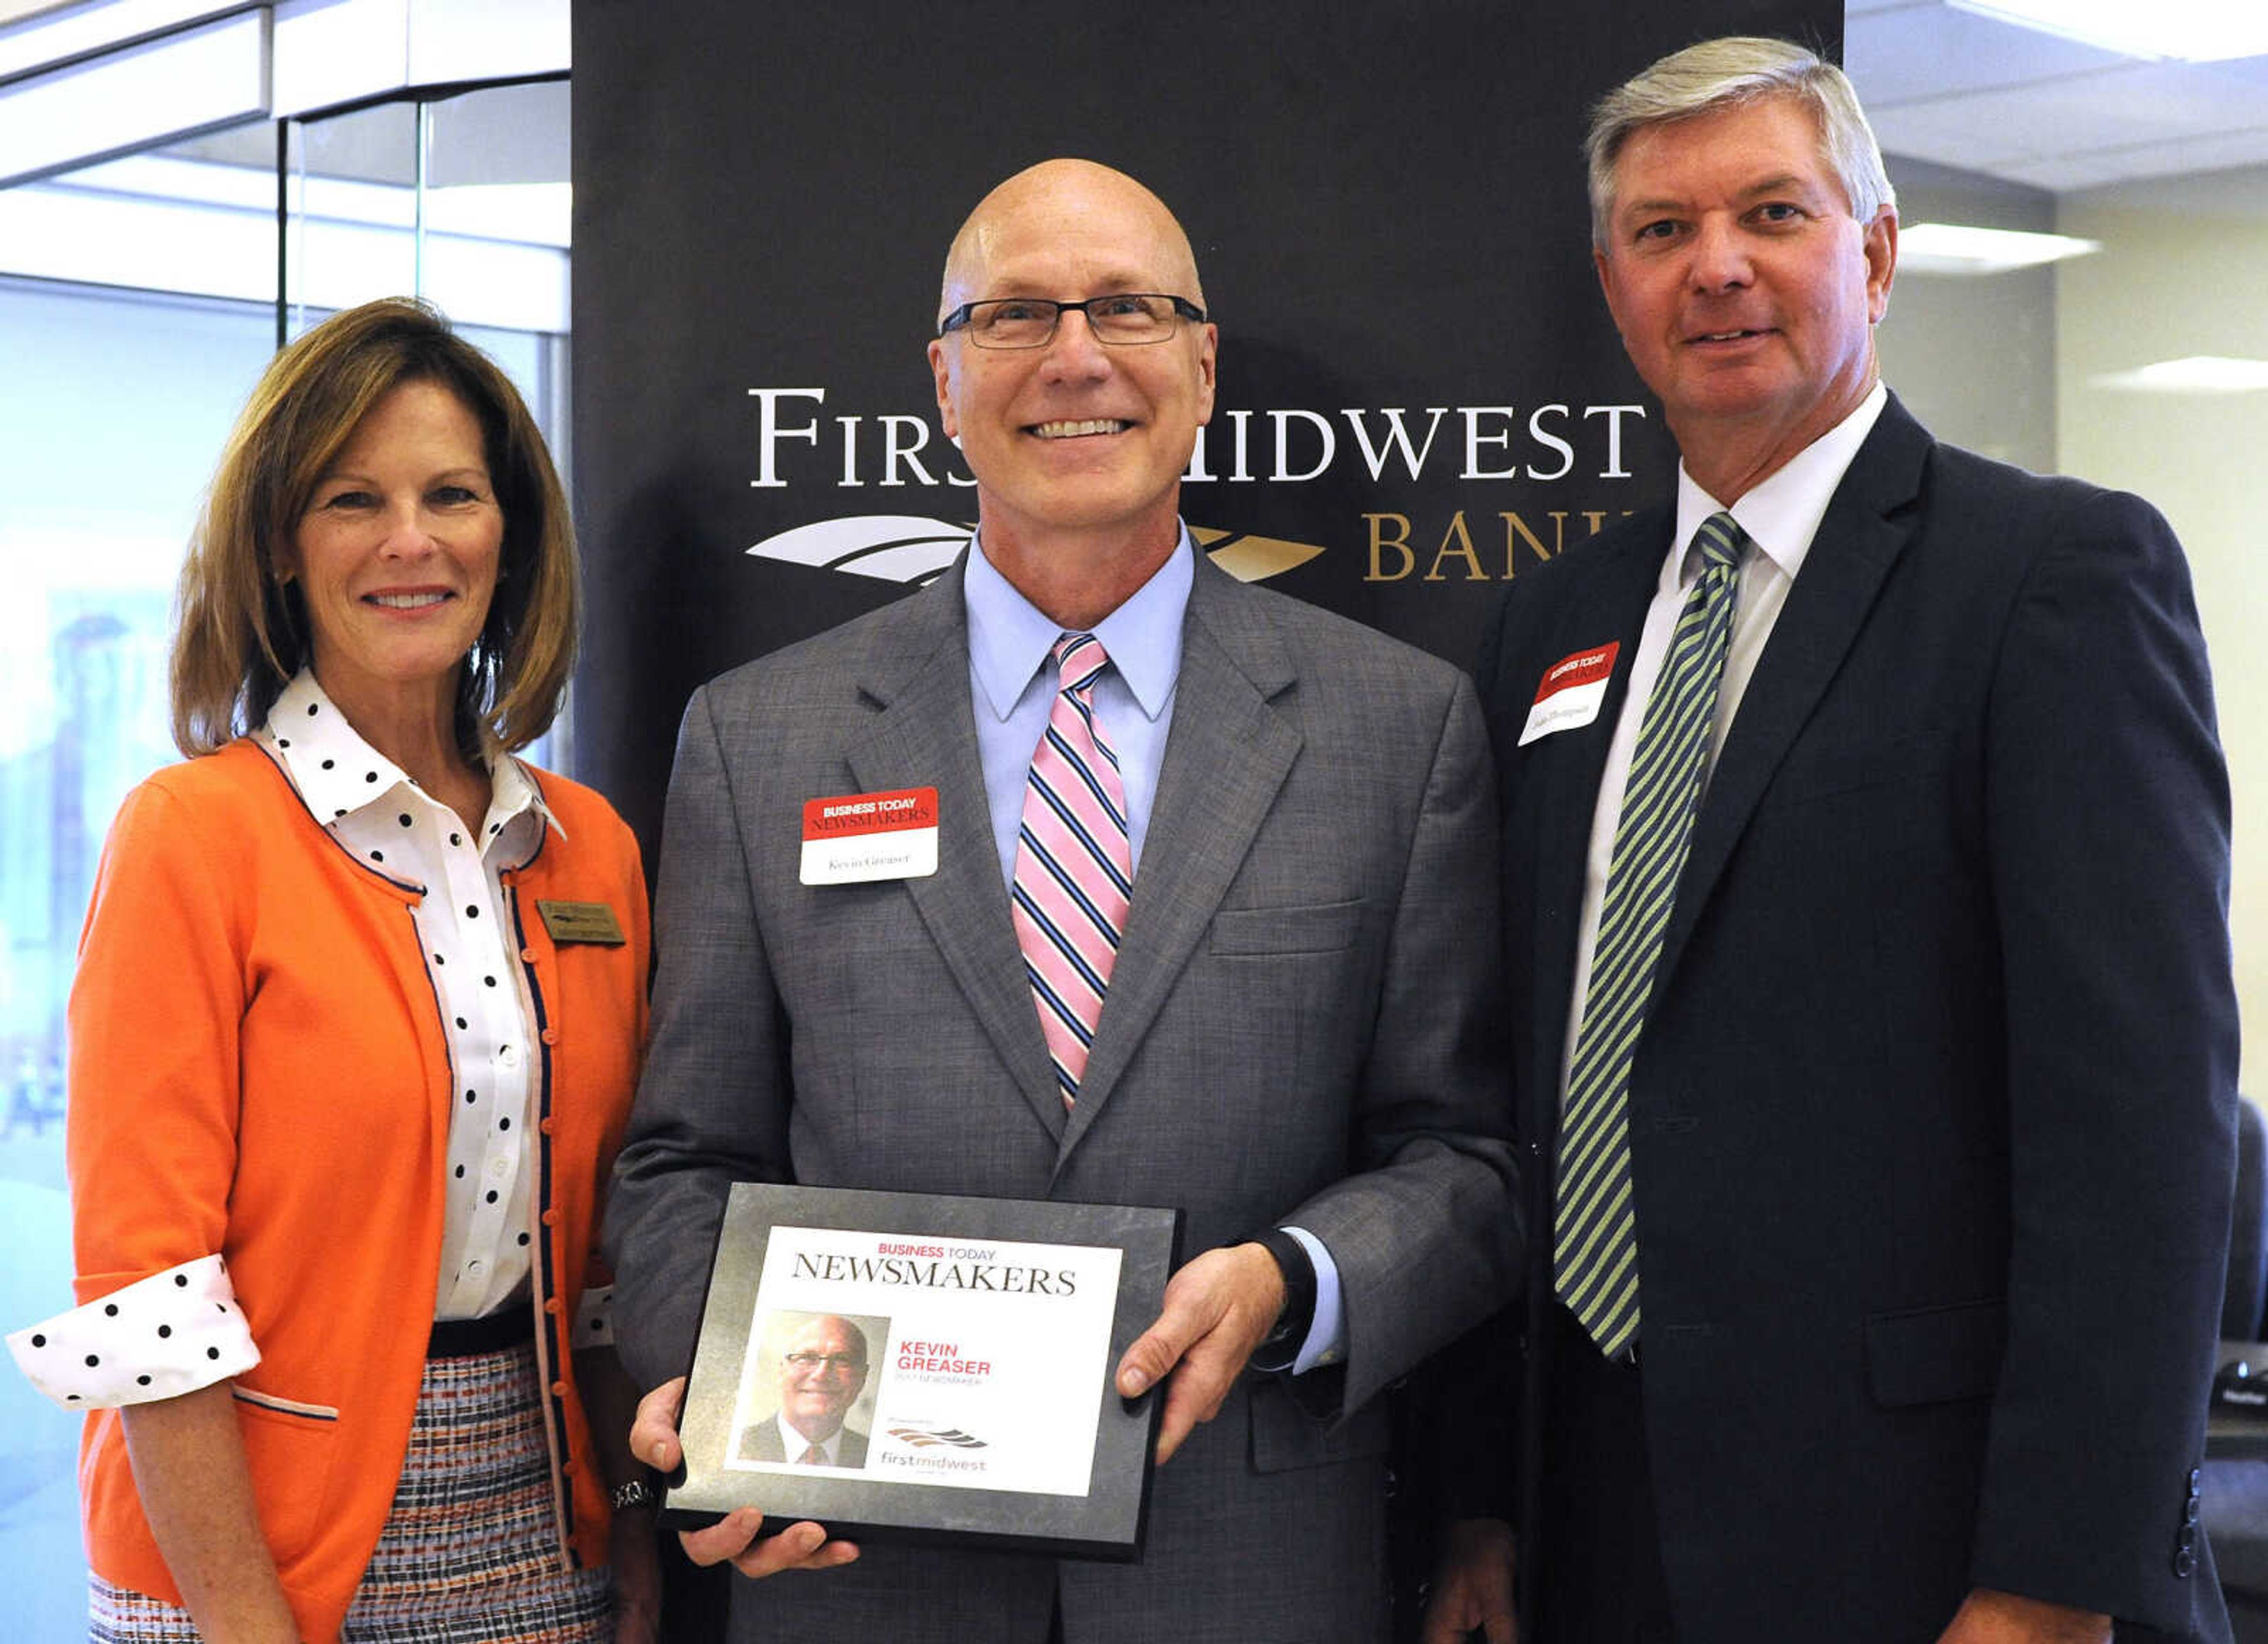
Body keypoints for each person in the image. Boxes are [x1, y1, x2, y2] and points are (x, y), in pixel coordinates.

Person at [605, 158, 1520, 1643]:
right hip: (861, 1565)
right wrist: (710, 1396)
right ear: (945, 380)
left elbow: (1463, 1159)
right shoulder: (755, 734)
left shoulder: (1393, 727)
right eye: (1017, 314)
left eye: (1131, 311)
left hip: (1246, 1566)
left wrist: (1293, 1279)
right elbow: (682, 1157)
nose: (1076, 356)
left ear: (1203, 366)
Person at [1424, 36, 2238, 1644]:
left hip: (1928, 1543)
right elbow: (1504, 1092)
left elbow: (2141, 1136)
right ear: (1613, 286)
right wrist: (1481, 1502)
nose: (1716, 267)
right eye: (1663, 232)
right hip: (1594, 1518)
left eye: (1772, 215)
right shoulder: (1550, 626)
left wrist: (2058, 1582)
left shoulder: (2051, 578)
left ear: (1872, 252)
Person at [5, 299, 659, 1643]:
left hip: (546, 1519)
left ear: (510, 534)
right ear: (284, 547)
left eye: (452, 494)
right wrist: (247, 1621)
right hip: (247, 1540)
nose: (409, 539)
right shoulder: (192, 835)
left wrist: (637, 1534)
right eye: (352, 498)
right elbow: (146, 1297)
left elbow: (603, 1259)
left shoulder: (585, 843)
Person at [736, 1315, 872, 1467]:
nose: (821, 1374)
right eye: (807, 1358)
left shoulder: (872, 1456)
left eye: (842, 1360)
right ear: (781, 1371)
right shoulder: (737, 1446)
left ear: (862, 1377)